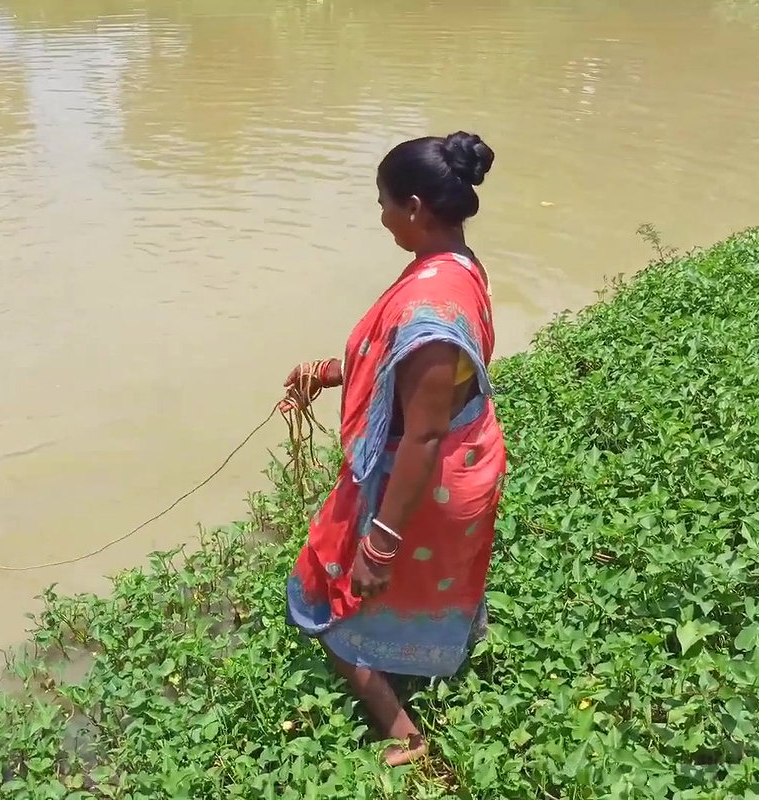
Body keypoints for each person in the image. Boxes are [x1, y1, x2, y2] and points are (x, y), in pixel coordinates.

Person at [280, 131, 507, 767]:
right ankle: (424, 656)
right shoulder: (454, 265)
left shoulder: (429, 313)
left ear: (413, 207)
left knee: (335, 595)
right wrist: (331, 372)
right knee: (414, 586)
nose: (379, 217)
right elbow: (404, 376)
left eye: (383, 204)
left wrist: (380, 543)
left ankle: (402, 731)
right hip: (458, 455)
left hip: (425, 475)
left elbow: (424, 431)